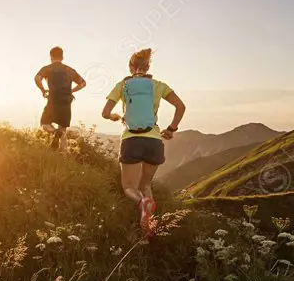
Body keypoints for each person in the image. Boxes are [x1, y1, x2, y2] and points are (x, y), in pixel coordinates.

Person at [101, 48, 186, 234]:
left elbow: (105, 113)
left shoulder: (122, 86)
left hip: (131, 140)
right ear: (148, 67)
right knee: (145, 184)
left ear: (130, 67)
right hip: (154, 142)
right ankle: (150, 227)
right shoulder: (158, 85)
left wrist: (115, 116)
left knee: (129, 187)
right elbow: (181, 106)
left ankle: (141, 202)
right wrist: (171, 129)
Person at [35, 46, 86, 150]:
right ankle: (63, 157)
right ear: (62, 57)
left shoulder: (47, 68)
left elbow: (37, 78)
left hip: (53, 100)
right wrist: (71, 91)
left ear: (51, 56)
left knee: (45, 124)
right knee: (63, 130)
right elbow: (83, 83)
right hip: (66, 101)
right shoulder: (70, 70)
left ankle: (54, 132)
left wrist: (43, 90)